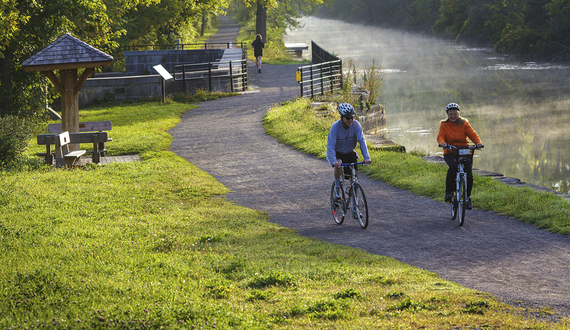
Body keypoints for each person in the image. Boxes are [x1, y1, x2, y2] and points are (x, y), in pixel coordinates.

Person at [437, 102, 484, 209]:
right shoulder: (444, 125)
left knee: (469, 175)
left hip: (464, 150)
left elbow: (472, 134)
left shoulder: (464, 123)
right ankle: (449, 192)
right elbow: (440, 136)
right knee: (453, 168)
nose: (453, 116)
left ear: (458, 113)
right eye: (450, 114)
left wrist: (478, 143)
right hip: (450, 151)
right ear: (447, 114)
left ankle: (467, 197)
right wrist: (442, 143)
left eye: (455, 114)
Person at [327, 102, 372, 200]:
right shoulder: (335, 127)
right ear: (341, 118)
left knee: (354, 179)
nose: (350, 120)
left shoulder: (356, 125)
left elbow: (362, 140)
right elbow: (330, 146)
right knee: (338, 165)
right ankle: (337, 187)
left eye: (352, 117)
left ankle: (354, 207)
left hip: (349, 152)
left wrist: (367, 157)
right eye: (348, 118)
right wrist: (334, 161)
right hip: (338, 152)